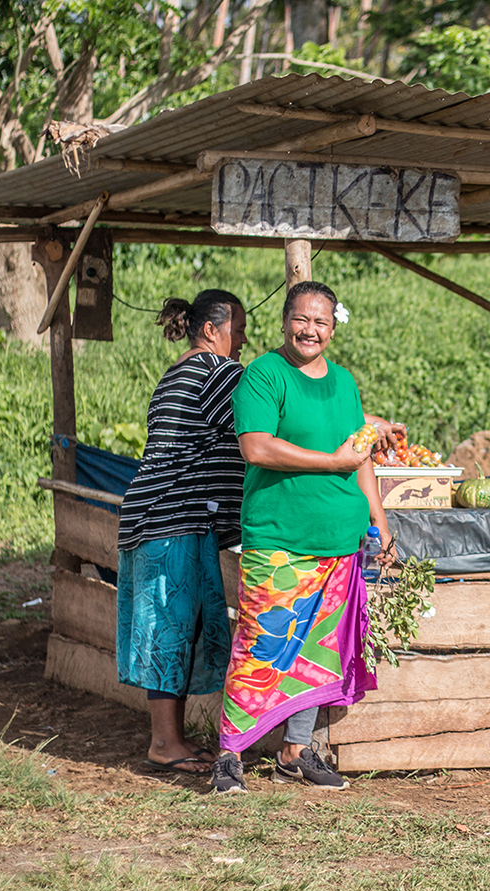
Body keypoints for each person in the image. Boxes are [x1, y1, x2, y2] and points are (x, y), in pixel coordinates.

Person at [211, 280, 395, 795]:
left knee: (320, 648)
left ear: (334, 327)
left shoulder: (344, 383)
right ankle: (230, 753)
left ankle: (296, 751)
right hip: (280, 536)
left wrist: (379, 522)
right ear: (285, 321)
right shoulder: (265, 375)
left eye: (321, 322)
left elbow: (361, 460)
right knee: (261, 644)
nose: (310, 330)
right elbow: (257, 447)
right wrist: (331, 461)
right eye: (302, 319)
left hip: (340, 539)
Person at [116, 290, 248, 775]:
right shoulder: (218, 372)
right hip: (175, 516)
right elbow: (269, 425)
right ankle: (164, 742)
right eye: (240, 333)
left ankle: (168, 739)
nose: (242, 345)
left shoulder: (177, 372)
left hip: (155, 513)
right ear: (212, 330)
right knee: (171, 626)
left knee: (175, 624)